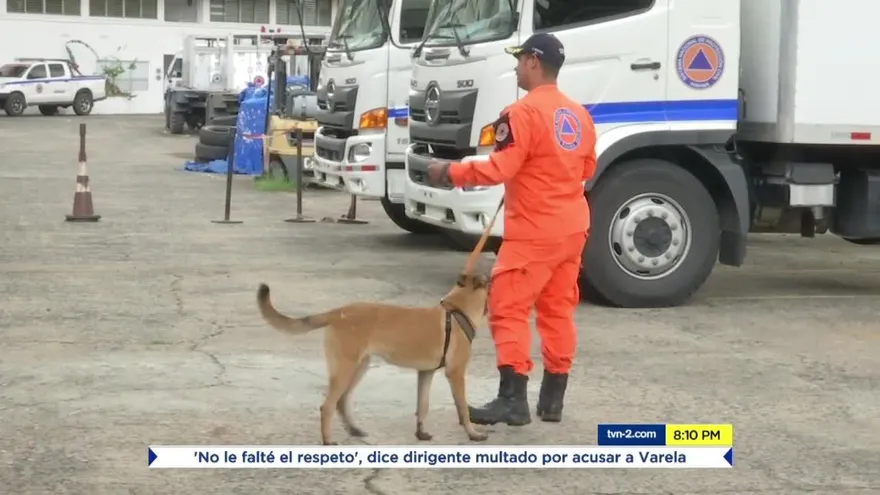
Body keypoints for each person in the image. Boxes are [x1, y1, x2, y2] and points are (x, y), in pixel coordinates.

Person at [427, 33, 597, 426]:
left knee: (507, 309)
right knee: (558, 310)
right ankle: (552, 401)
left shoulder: (521, 113)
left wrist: (450, 171)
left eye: (520, 59)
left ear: (534, 61)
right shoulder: (579, 115)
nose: (517, 67)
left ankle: (513, 400)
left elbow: (499, 168)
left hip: (534, 231)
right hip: (572, 228)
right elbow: (587, 168)